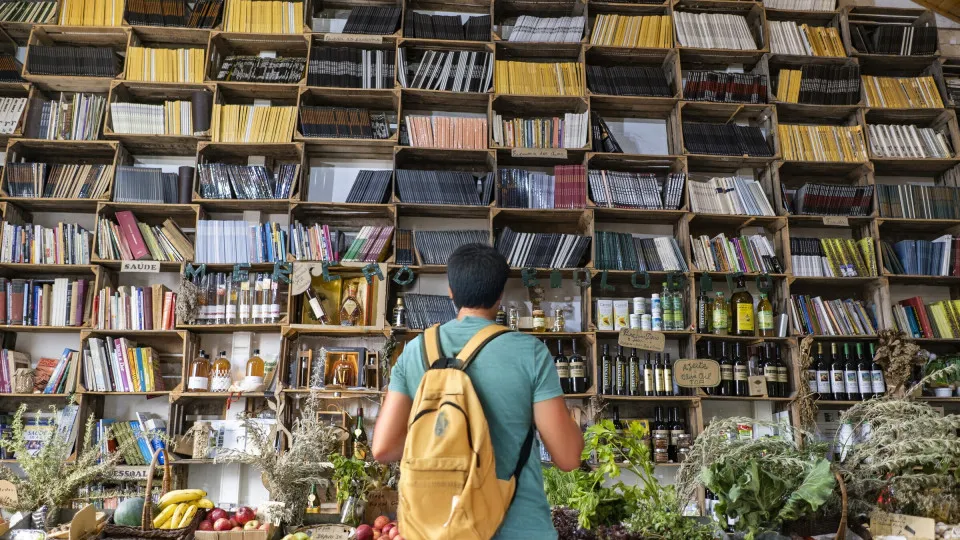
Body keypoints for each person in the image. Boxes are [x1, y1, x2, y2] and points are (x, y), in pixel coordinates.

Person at [372, 243, 584, 538]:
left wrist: (443, 440)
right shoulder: (530, 352)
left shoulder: (415, 351)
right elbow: (569, 458)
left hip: (437, 528)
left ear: (451, 291)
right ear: (500, 295)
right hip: (519, 528)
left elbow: (383, 448)